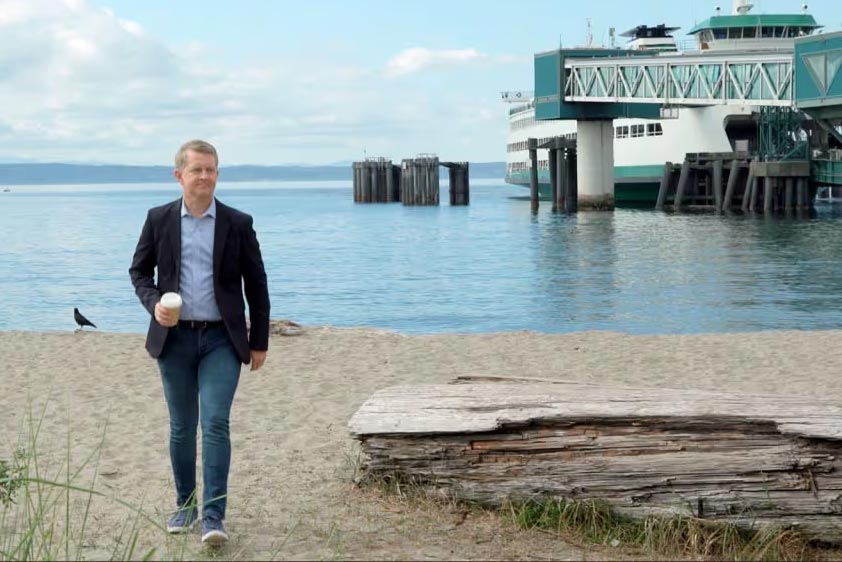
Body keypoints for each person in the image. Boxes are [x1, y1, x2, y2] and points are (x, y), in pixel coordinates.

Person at [129, 139, 270, 545]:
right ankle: (185, 505)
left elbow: (256, 284)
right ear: (179, 175)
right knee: (181, 427)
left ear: (217, 174)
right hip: (173, 340)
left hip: (222, 340)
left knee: (215, 423)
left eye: (211, 169)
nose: (205, 176)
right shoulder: (158, 219)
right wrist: (155, 304)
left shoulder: (238, 223)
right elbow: (139, 272)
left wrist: (259, 340)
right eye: (197, 170)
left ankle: (213, 516)